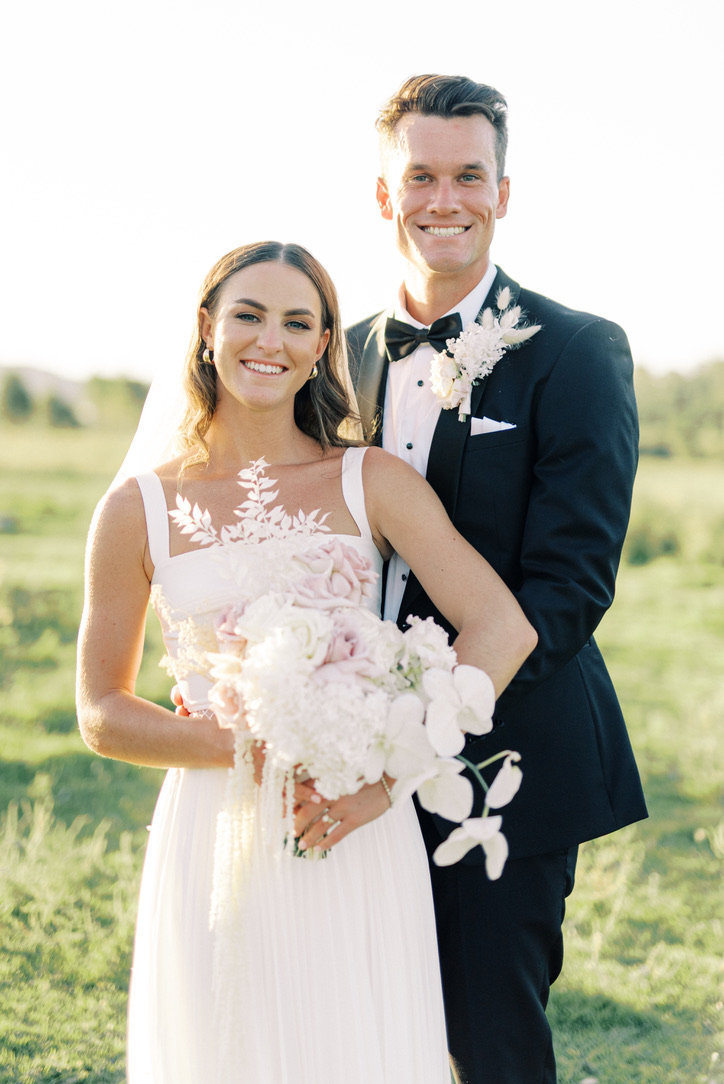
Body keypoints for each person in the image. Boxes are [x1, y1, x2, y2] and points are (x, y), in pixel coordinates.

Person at [76, 240, 537, 1084]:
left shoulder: (372, 480)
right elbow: (101, 712)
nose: (270, 340)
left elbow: (502, 629)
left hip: (355, 822)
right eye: (248, 314)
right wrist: (244, 746)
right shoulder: (136, 508)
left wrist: (392, 770)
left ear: (323, 344)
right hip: (217, 825)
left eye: (298, 321)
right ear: (207, 328)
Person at [346, 74, 648, 1084]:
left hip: (502, 756)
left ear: (503, 192)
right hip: (341, 745)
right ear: (384, 195)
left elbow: (568, 587)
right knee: (364, 1020)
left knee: (491, 1040)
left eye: (468, 175)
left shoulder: (575, 351)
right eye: (420, 176)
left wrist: (426, 722)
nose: (446, 199)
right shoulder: (329, 357)